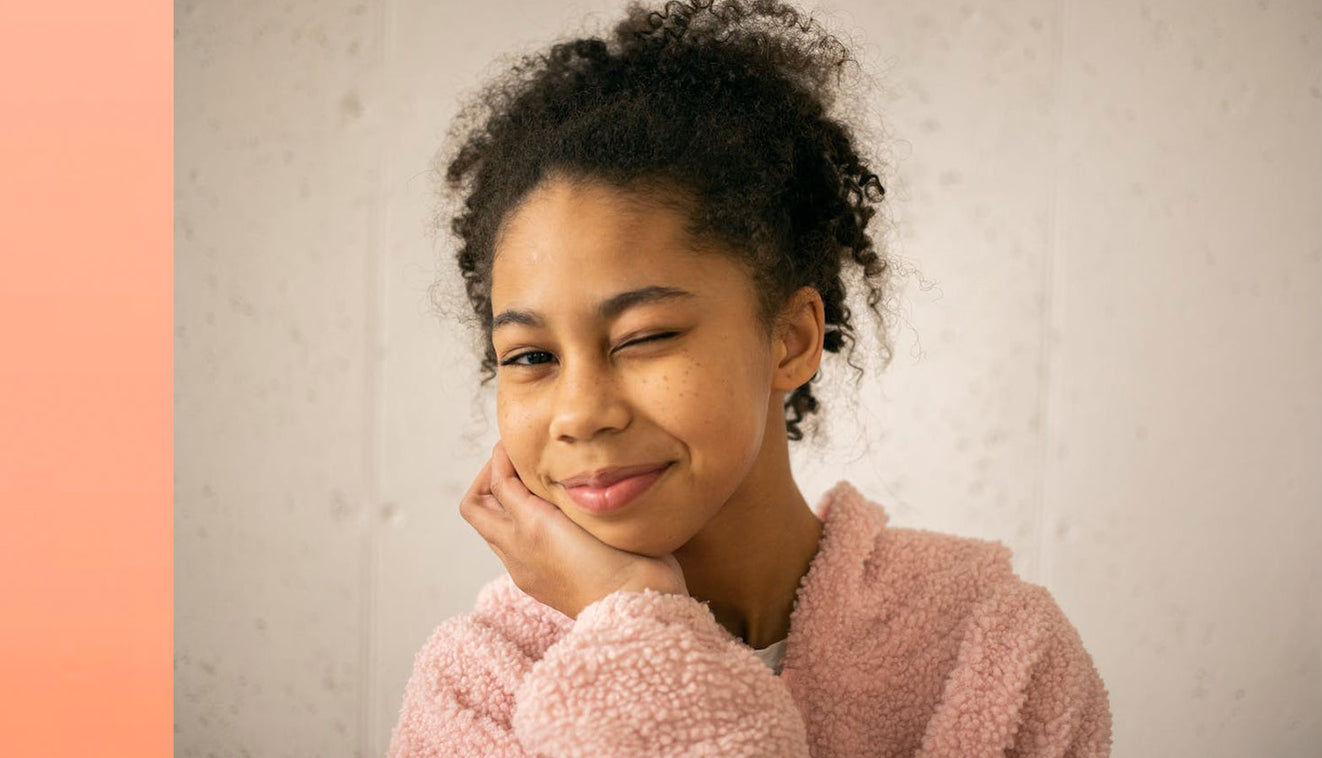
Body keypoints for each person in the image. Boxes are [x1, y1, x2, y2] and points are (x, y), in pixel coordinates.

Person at [388, 1, 1111, 755]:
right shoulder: (478, 688)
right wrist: (636, 616)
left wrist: (633, 619)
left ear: (792, 339)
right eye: (531, 357)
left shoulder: (993, 651)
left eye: (645, 337)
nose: (579, 412)